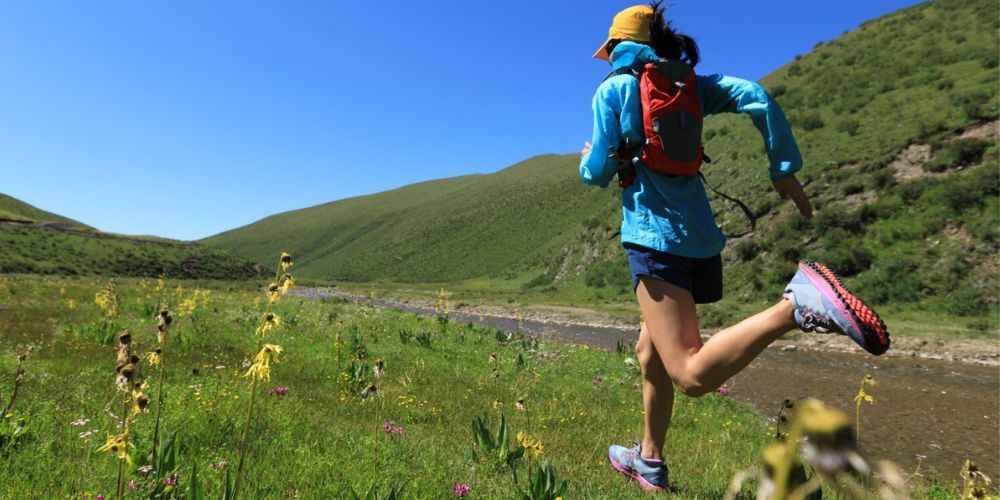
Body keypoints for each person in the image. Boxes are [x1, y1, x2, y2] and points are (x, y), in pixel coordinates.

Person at [579, 3, 890, 492]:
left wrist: (585, 161)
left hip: (652, 239)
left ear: (618, 47)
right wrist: (782, 168)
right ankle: (650, 460)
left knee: (689, 373)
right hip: (701, 241)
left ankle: (795, 305)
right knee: (650, 352)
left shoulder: (614, 90)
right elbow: (757, 95)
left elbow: (597, 172)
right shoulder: (692, 87)